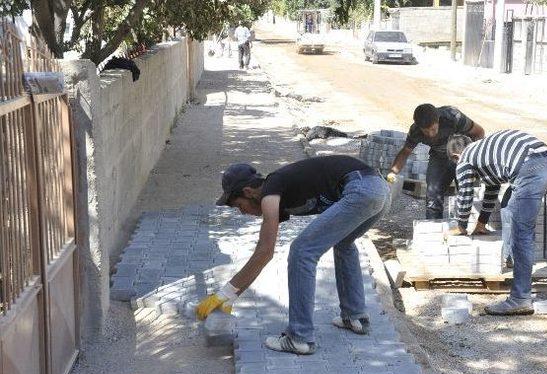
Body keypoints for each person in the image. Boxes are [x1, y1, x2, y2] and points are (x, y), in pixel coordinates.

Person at [195, 155, 391, 354]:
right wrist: (230, 297)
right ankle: (355, 316)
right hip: (378, 188)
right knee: (344, 242)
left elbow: (264, 251)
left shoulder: (271, 190)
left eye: (238, 206)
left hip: (361, 189)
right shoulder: (277, 193)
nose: (242, 213)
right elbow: (264, 252)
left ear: (248, 192)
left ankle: (300, 337)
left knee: (302, 251)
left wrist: (225, 294)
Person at [446, 130, 547, 315]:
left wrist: (460, 225)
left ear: (455, 156)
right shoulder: (484, 152)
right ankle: (509, 258)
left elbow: (466, 192)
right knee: (509, 206)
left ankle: (520, 299)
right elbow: (492, 189)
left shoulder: (464, 159)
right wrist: (480, 223)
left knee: (522, 233)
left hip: (532, 169)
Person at [386, 104, 485, 219]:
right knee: (432, 196)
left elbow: (479, 133)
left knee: (467, 193)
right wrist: (392, 173)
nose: (430, 134)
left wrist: (472, 160)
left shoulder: (452, 116)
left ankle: (469, 228)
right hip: (439, 158)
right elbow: (405, 152)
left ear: (438, 120)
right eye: (426, 131)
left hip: (462, 156)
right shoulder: (415, 131)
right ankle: (434, 230)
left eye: (433, 129)